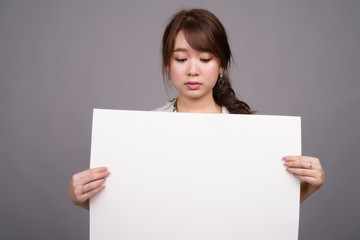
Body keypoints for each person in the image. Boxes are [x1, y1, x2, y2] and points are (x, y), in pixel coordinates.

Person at [68, 8, 325, 210]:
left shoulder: (250, 132)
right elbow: (129, 209)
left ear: (221, 63)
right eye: (181, 59)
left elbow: (264, 211)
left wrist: (310, 187)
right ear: (167, 64)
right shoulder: (142, 130)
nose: (193, 69)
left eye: (205, 59)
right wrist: (80, 197)